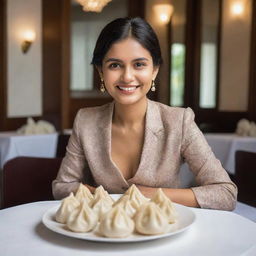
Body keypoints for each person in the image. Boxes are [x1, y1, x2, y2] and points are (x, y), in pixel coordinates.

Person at [52, 17, 237, 210]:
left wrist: (154, 194)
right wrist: (103, 197)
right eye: (115, 65)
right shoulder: (86, 120)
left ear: (154, 70)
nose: (127, 77)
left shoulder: (178, 121)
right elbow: (62, 186)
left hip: (164, 234)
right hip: (103, 236)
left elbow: (225, 193)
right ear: (101, 71)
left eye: (139, 64)